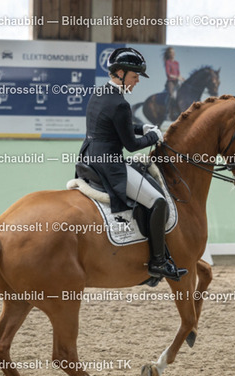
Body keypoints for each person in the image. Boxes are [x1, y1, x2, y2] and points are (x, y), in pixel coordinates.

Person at [78, 47, 187, 281]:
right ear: (120, 73)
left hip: (90, 158)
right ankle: (158, 262)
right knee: (158, 201)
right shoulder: (120, 103)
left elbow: (115, 124)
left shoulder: (100, 93)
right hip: (110, 165)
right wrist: (153, 136)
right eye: (135, 76)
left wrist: (142, 127)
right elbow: (131, 145)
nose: (137, 81)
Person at [163, 47, 183, 120]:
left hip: (177, 82)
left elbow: (178, 74)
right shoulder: (167, 62)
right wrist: (177, 77)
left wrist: (182, 78)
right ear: (169, 54)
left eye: (173, 52)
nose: (173, 53)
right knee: (172, 96)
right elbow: (168, 74)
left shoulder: (177, 63)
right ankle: (168, 113)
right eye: (171, 52)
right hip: (171, 82)